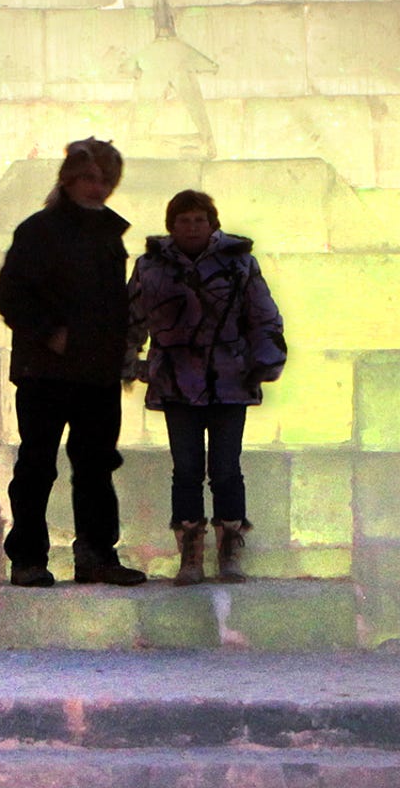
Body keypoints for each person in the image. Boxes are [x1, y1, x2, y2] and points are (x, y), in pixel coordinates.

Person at [0, 137, 148, 587]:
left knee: (97, 466)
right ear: (69, 178)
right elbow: (12, 294)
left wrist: (122, 353)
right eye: (89, 178)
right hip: (45, 371)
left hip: (95, 372)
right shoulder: (39, 230)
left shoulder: (107, 234)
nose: (97, 188)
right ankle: (27, 559)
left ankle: (96, 555)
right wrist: (49, 333)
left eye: (105, 180)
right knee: (37, 464)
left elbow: (113, 305)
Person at [126, 188, 285, 585]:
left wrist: (266, 359)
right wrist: (129, 360)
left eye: (199, 219)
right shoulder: (150, 267)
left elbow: (262, 313)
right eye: (184, 220)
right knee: (186, 468)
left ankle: (230, 544)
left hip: (229, 378)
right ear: (171, 225)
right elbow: (132, 317)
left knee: (227, 467)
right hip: (177, 380)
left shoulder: (239, 264)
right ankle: (190, 550)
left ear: (212, 223)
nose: (192, 226)